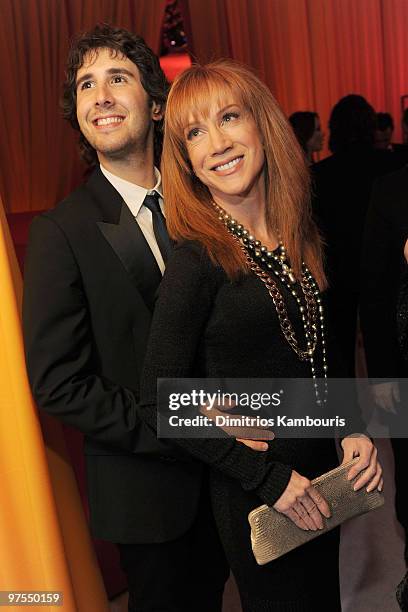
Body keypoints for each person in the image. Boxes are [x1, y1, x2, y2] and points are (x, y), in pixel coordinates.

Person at [136, 60, 382, 612]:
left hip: (323, 476)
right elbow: (157, 401)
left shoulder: (298, 234)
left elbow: (325, 351)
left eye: (228, 117)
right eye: (196, 133)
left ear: (262, 124)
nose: (217, 143)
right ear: (187, 161)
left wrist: (354, 432)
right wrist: (268, 479)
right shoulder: (197, 260)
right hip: (260, 493)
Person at [22, 25, 233, 612]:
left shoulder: (210, 201)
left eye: (117, 78)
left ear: (157, 104)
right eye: (86, 85)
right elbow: (58, 382)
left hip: (238, 478)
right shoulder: (60, 231)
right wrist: (186, 431)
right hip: (150, 494)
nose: (100, 96)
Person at [313, 94, 402, 376]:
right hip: (389, 270)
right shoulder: (392, 167)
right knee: (391, 339)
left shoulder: (320, 174)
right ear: (370, 125)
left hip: (339, 270)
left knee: (339, 352)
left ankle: (350, 415)